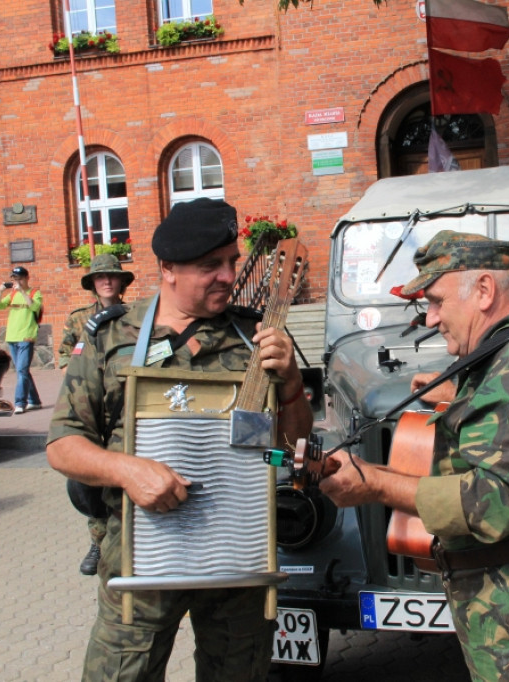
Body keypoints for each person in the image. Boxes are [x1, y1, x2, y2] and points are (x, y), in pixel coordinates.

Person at [319, 230, 509, 681]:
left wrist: (374, 483)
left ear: (484, 291)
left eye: (437, 301)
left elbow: (493, 504)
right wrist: (463, 398)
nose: (430, 318)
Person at [46, 198, 313, 682]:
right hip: (141, 562)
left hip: (238, 561)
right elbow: (63, 444)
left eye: (232, 262)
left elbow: (296, 446)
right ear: (167, 269)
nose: (228, 277)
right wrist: (127, 469)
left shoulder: (256, 337)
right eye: (210, 266)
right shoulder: (113, 341)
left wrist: (291, 383)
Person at [58, 253, 135, 577]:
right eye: (99, 277)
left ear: (120, 282)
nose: (106, 281)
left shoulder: (135, 317)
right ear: (92, 284)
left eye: (111, 276)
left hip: (124, 404)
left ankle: (128, 542)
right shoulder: (78, 320)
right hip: (91, 406)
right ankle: (98, 539)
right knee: (89, 480)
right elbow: (64, 356)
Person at [0, 266, 43, 414]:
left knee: (21, 370)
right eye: (15, 279)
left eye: (20, 278)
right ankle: (34, 401)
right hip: (12, 336)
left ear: (27, 278)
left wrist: (22, 291)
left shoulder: (35, 293)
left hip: (26, 336)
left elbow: (35, 307)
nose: (17, 281)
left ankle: (20, 402)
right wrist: (0, 292)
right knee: (23, 371)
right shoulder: (12, 294)